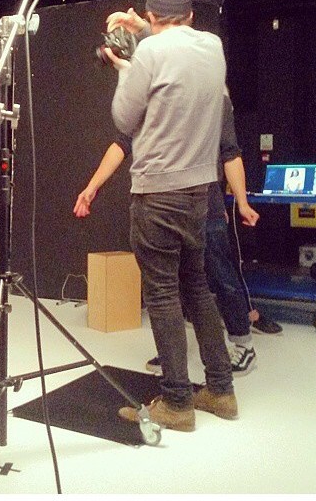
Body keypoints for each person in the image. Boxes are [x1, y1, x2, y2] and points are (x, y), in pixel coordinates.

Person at [102, 0, 235, 432]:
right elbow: (176, 51)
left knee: (161, 295)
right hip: (198, 192)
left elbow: (124, 118)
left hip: (157, 194)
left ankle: (178, 403)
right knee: (197, 288)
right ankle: (221, 390)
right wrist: (143, 30)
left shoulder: (150, 54)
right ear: (191, 16)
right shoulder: (212, 47)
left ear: (152, 15)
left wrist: (125, 69)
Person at [75, 99, 261, 377]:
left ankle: (242, 345)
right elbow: (122, 144)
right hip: (161, 207)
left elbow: (230, 154)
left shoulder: (213, 99)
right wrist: (92, 186)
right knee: (166, 285)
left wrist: (242, 203)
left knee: (219, 277)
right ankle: (173, 352)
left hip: (204, 205)